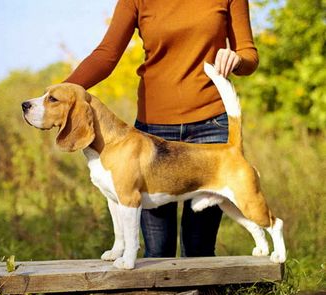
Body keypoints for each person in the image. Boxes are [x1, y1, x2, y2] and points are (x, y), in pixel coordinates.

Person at [64, 0, 259, 258]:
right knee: (157, 252)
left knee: (199, 250)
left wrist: (237, 59)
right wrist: (58, 99)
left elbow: (249, 54)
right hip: (152, 135)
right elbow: (106, 55)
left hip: (211, 128)